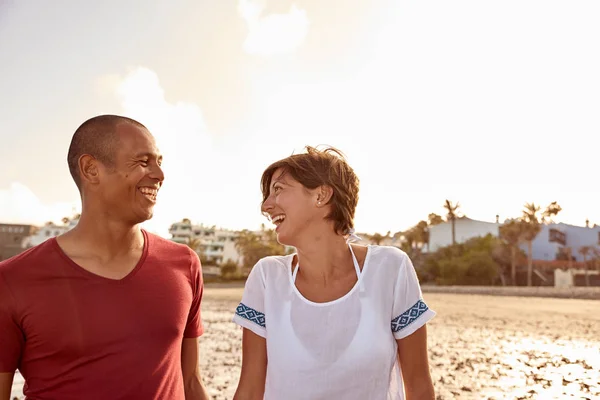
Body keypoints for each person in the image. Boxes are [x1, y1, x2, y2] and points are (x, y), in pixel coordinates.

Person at [0, 115, 209, 400]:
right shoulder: (12, 280)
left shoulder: (184, 264)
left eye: (159, 162)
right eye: (143, 161)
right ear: (91, 169)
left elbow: (191, 383)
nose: (159, 174)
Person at [232, 146, 436, 400]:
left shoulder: (390, 269)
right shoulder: (266, 277)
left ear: (321, 195)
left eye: (278, 190)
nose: (266, 205)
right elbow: (250, 391)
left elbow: (419, 387)